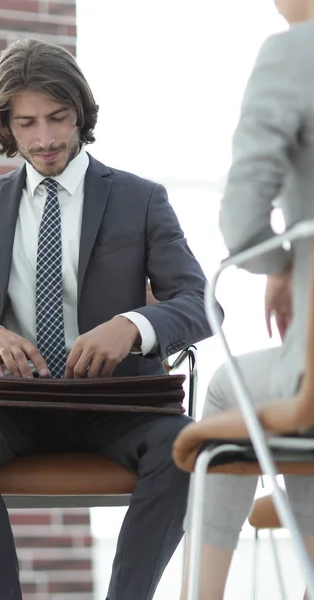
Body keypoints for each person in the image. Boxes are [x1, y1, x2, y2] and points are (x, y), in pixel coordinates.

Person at [0, 38, 215, 600]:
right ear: (6, 125)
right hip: (9, 404)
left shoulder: (140, 200)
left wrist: (133, 326)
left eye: (58, 118)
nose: (45, 139)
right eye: (26, 123)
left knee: (184, 444)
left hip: (114, 405)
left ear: (80, 113)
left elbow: (200, 303)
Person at [180, 1, 314, 598]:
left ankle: (200, 596)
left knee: (227, 389)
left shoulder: (294, 53)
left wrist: (283, 262)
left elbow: (241, 223)